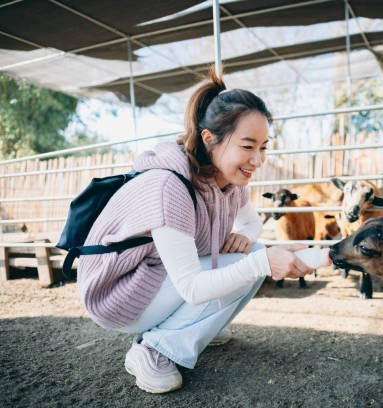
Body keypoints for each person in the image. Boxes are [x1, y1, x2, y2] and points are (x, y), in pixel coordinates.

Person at [76, 68, 314, 394]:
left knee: (252, 254)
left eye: (264, 146)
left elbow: (251, 222)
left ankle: (196, 325)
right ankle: (154, 349)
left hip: (156, 278)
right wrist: (262, 262)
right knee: (255, 261)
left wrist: (246, 237)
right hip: (118, 294)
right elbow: (190, 286)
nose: (258, 159)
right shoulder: (170, 186)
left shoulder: (229, 182)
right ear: (209, 139)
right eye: (247, 146)